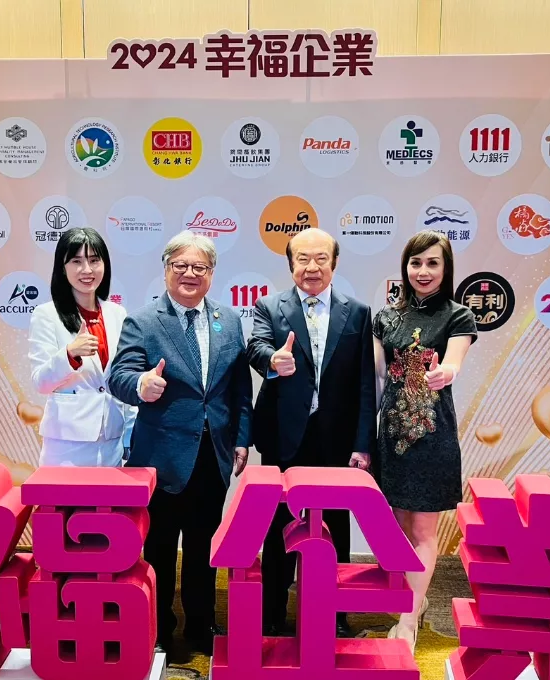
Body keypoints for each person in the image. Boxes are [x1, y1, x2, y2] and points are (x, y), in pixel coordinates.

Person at [108, 231, 252, 659]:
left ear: (212, 273)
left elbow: (239, 388)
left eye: (199, 267)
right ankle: (156, 627)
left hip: (213, 454)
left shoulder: (230, 320)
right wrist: (141, 384)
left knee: (204, 546)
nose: (190, 274)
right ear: (166, 269)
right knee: (159, 548)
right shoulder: (143, 321)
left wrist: (242, 438)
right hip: (161, 456)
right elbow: (119, 376)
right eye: (181, 266)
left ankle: (201, 623)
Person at [246, 227, 376, 638]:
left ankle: (333, 613)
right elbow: (256, 347)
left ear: (334, 263)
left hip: (336, 438)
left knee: (335, 527)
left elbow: (365, 385)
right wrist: (273, 360)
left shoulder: (357, 312)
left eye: (321, 258)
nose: (312, 267)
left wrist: (363, 444)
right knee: (279, 526)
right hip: (285, 435)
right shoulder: (269, 306)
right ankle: (273, 613)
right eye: (302, 259)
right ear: (290, 265)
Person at [373, 230, 476, 648]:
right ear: (406, 267)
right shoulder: (386, 317)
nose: (423, 271)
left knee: (422, 530)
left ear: (446, 268)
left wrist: (444, 373)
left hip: (433, 436)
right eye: (416, 263)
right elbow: (378, 378)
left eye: (433, 263)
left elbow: (454, 363)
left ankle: (408, 620)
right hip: (392, 436)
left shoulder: (458, 316)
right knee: (398, 529)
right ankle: (414, 600)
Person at [28, 227, 136, 467]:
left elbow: (123, 376)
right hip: (66, 446)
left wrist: (129, 431)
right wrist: (69, 354)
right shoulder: (47, 315)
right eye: (77, 261)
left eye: (94, 260)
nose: (87, 270)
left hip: (112, 443)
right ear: (62, 267)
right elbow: (41, 382)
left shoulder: (117, 314)